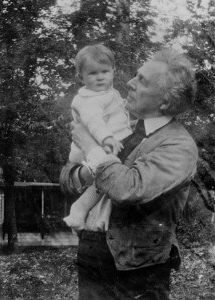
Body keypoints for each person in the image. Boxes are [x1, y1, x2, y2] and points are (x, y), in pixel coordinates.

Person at [60, 48, 198, 300]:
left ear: (165, 101)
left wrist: (90, 146)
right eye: (135, 75)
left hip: (136, 270)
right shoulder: (124, 129)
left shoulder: (179, 146)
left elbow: (128, 189)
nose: (130, 83)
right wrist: (86, 172)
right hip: (93, 251)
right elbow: (68, 177)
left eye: (142, 81)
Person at [64, 44, 132, 232]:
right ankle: (79, 209)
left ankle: (95, 219)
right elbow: (94, 122)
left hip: (106, 143)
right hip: (95, 145)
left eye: (105, 71)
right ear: (81, 77)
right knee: (106, 174)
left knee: (107, 179)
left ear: (113, 71)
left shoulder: (105, 93)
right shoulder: (87, 99)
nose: (100, 77)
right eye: (93, 73)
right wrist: (106, 138)